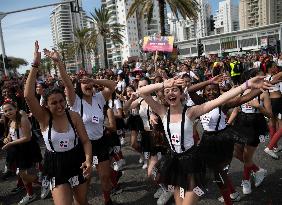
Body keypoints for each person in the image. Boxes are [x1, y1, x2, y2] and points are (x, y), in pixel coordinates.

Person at [138, 75, 270, 205]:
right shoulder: (162, 112)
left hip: (193, 165)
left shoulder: (191, 112)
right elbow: (142, 92)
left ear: (181, 94)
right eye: (167, 91)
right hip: (174, 164)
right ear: (164, 96)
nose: (170, 93)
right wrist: (163, 84)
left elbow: (220, 100)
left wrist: (246, 85)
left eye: (174, 90)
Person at [44, 47, 118, 205]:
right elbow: (67, 84)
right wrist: (58, 62)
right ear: (79, 85)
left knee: (105, 177)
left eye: (88, 80)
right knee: (86, 181)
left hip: (100, 142)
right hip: (83, 147)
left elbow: (113, 85)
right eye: (82, 81)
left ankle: (107, 200)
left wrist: (95, 81)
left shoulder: (99, 97)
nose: (87, 83)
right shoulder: (75, 101)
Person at [24, 41, 92, 205]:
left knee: (82, 202)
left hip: (76, 160)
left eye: (61, 101)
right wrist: (35, 63)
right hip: (55, 165)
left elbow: (85, 140)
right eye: (53, 103)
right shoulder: (44, 118)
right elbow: (28, 96)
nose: (59, 105)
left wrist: (88, 160)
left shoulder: (73, 116)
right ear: (46, 105)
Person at [2, 99, 39, 204]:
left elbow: (27, 137)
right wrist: (7, 138)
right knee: (22, 174)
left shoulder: (22, 119)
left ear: (15, 109)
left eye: (10, 109)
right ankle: (31, 193)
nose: (8, 112)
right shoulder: (10, 121)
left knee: (24, 174)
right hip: (18, 149)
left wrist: (10, 144)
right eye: (5, 111)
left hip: (26, 149)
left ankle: (44, 182)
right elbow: (11, 134)